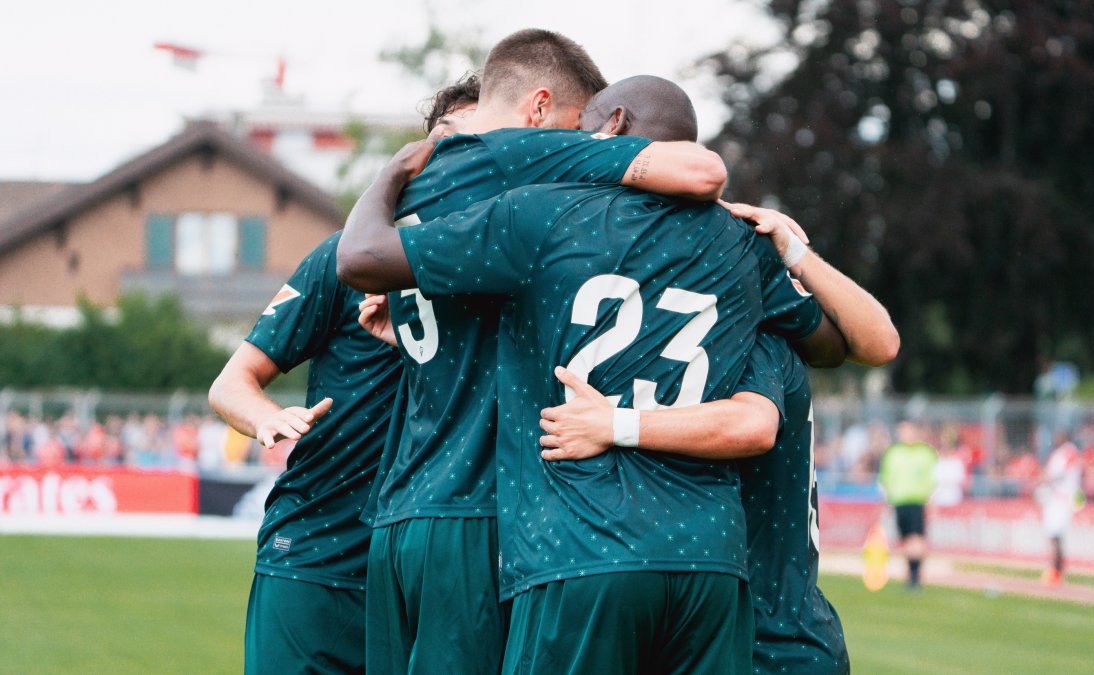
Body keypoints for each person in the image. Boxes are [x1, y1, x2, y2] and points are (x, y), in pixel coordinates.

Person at [352, 74, 858, 674]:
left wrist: (390, 179)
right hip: (711, 558)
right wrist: (793, 251)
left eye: (584, 126)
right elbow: (835, 342)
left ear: (613, 125)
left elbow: (363, 259)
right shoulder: (743, 246)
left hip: (580, 544)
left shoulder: (540, 213)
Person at [337, 29, 729, 675]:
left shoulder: (425, 192)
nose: (587, 142)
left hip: (403, 507)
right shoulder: (539, 171)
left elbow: (368, 259)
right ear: (541, 110)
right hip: (486, 509)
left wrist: (387, 178)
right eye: (582, 124)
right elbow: (701, 169)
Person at [536, 209, 896, 674]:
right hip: (759, 624)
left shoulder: (752, 341)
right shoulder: (693, 343)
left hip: (767, 636)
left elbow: (759, 422)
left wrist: (792, 250)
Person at [204, 77, 484, 675]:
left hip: (430, 576)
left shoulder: (511, 266)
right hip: (315, 559)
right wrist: (267, 418)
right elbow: (231, 384)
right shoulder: (348, 258)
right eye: (452, 141)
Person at [878, 420, 938, 590]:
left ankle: (914, 576)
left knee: (916, 539)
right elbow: (885, 479)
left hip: (917, 501)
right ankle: (911, 573)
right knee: (906, 540)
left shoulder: (925, 453)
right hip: (899, 501)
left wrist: (931, 501)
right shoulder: (893, 453)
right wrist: (886, 501)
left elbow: (932, 479)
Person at [1036, 432, 1083, 586]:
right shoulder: (1070, 452)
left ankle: (1056, 570)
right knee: (1056, 535)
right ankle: (1058, 569)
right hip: (1066, 497)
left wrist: (1042, 480)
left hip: (1060, 498)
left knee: (1054, 534)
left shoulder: (1064, 453)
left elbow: (1056, 474)